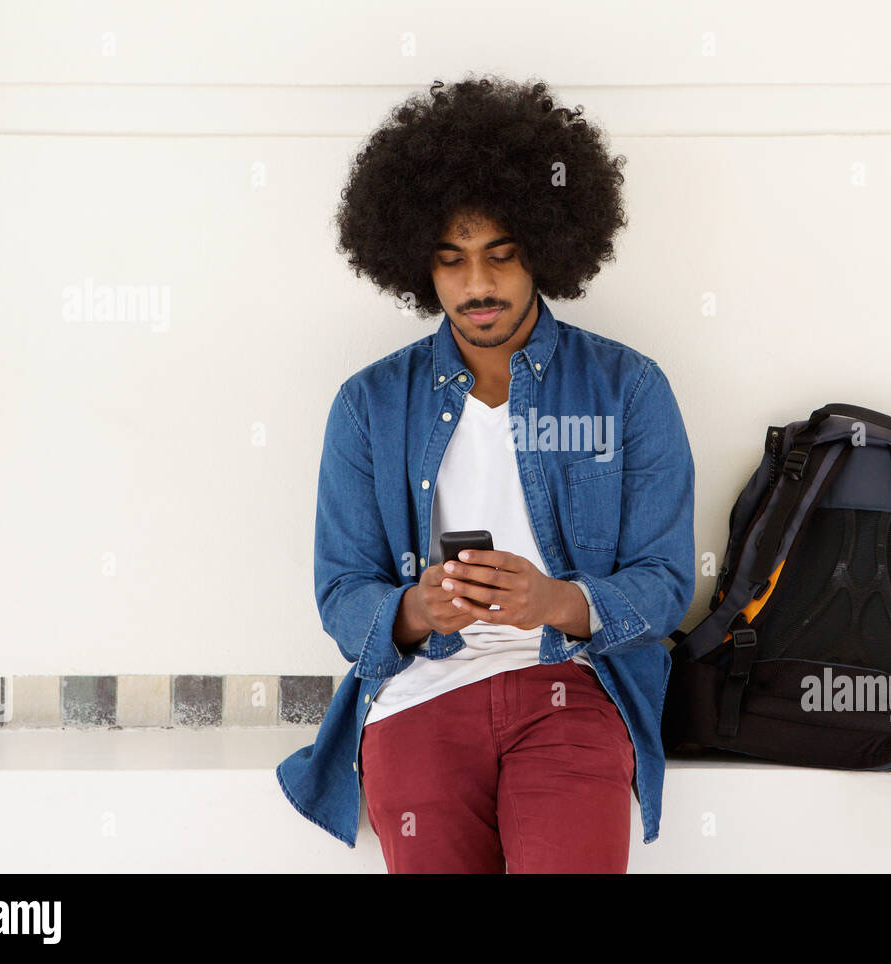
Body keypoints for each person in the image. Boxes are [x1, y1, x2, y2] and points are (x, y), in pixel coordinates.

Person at [276, 73, 695, 873]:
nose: (477, 285)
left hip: (574, 691)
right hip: (418, 700)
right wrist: (415, 609)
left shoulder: (629, 389)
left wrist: (557, 601)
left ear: (545, 247)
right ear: (416, 266)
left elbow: (667, 579)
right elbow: (342, 595)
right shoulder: (367, 406)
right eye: (452, 260)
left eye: (501, 256)